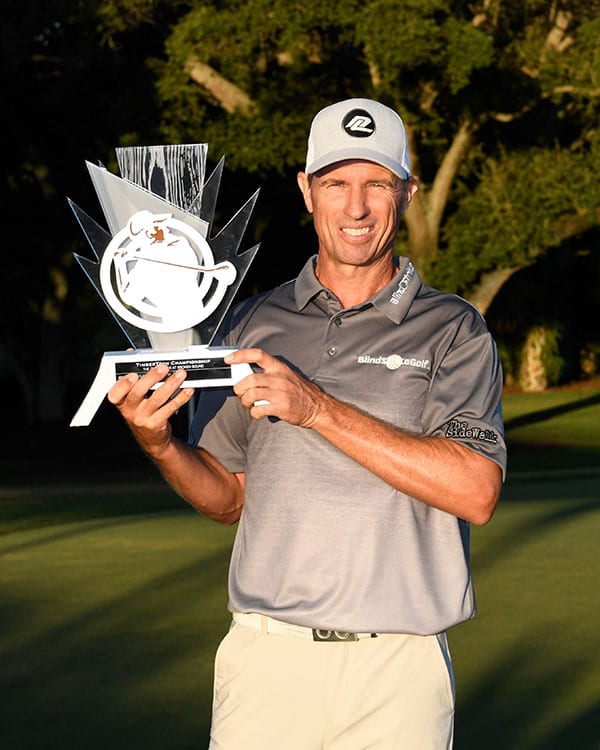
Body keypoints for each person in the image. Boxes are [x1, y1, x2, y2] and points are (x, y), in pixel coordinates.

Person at [108, 98, 506, 749]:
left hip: (399, 672)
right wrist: (160, 446)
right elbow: (228, 497)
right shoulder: (249, 324)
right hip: (267, 662)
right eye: (336, 183)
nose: (356, 207)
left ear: (406, 192)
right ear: (306, 189)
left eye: (377, 183)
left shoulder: (454, 330)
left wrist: (317, 409)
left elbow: (475, 491)